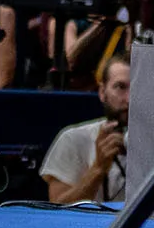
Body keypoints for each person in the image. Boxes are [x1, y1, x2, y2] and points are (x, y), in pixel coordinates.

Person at [42, 53, 129, 203]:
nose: (129, 98)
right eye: (120, 87)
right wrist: (98, 169)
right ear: (102, 92)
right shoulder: (72, 139)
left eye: (138, 88)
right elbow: (57, 209)